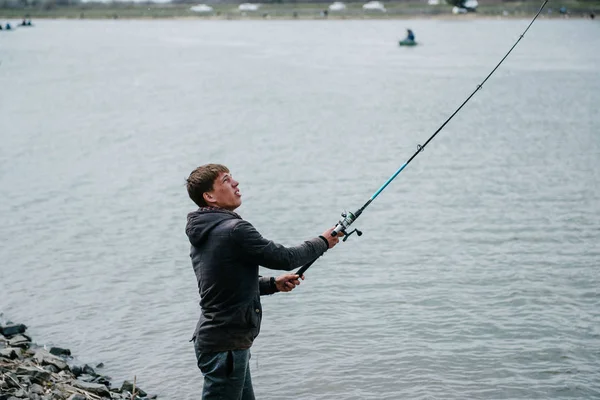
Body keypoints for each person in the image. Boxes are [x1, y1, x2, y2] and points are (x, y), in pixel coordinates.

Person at [185, 163, 341, 400]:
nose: (236, 183)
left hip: (223, 343)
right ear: (209, 196)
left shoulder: (206, 232)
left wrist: (272, 284)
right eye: (226, 180)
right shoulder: (234, 229)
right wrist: (323, 241)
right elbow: (286, 258)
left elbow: (224, 285)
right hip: (224, 347)